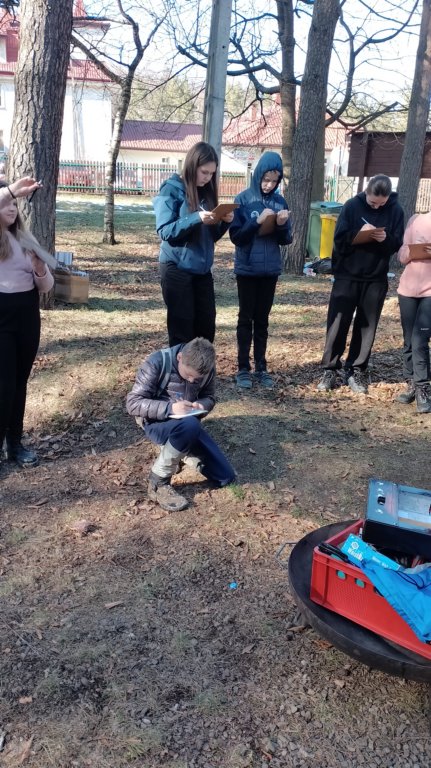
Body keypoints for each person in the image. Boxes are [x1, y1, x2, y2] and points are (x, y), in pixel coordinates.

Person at [126, 337, 236, 512]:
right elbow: (133, 404)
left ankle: (178, 451)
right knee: (191, 425)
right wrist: (170, 408)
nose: (192, 381)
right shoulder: (157, 362)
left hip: (188, 425)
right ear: (179, 358)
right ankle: (158, 481)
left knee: (225, 476)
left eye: (196, 378)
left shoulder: (207, 368)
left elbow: (209, 397)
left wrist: (203, 405)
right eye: (188, 375)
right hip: (156, 422)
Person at [317, 174, 404, 394]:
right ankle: (330, 369)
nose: (376, 207)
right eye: (372, 202)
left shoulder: (395, 210)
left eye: (381, 204)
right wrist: (358, 235)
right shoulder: (351, 206)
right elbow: (339, 239)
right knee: (338, 323)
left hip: (375, 277)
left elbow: (397, 242)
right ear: (366, 192)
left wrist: (385, 239)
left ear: (388, 198)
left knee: (367, 325)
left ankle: (356, 369)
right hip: (347, 274)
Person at [153, 142, 234, 346]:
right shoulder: (171, 189)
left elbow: (210, 236)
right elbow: (165, 231)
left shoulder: (206, 192)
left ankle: (202, 368)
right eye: (204, 172)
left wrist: (224, 222)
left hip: (202, 270)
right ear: (192, 166)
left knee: (206, 329)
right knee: (182, 331)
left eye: (212, 174)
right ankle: (180, 368)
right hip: (176, 267)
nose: (208, 178)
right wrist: (195, 218)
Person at [0, 178, 53, 468]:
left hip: (27, 317)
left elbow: (46, 287)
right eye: (6, 204)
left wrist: (39, 268)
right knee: (4, 384)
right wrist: (11, 191)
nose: (12, 208)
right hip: (2, 318)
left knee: (19, 382)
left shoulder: (24, 238)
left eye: (15, 204)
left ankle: (15, 444)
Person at [229, 151, 292, 389]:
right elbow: (236, 237)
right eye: (266, 179)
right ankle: (243, 368)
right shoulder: (243, 199)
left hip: (270, 270)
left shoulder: (280, 202)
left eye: (274, 181)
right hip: (247, 269)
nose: (269, 185)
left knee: (263, 321)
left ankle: (261, 367)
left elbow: (286, 240)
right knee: (246, 318)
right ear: (258, 176)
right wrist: (255, 222)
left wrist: (282, 225)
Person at [396, 212, 431, 413]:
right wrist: (411, 251)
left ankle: (423, 388)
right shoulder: (416, 219)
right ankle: (410, 382)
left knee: (420, 340)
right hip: (407, 290)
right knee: (409, 340)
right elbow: (401, 256)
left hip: (430, 293)